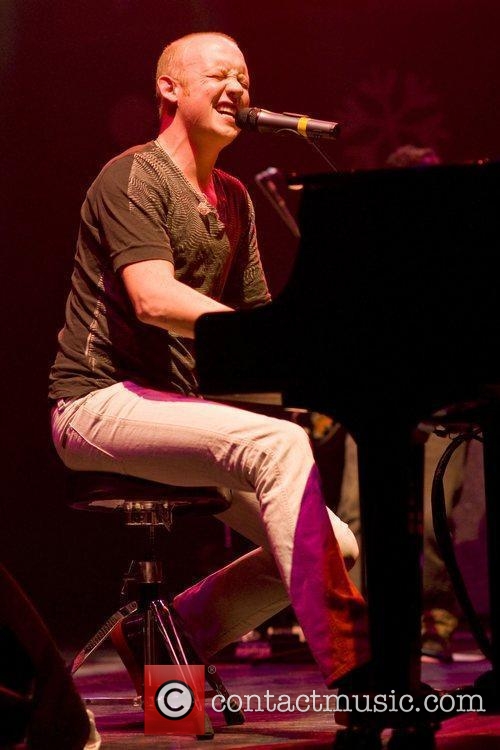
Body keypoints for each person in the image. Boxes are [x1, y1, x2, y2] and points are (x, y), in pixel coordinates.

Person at [48, 31, 369, 690]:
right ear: (169, 87)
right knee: (279, 446)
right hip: (95, 405)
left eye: (244, 80)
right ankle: (360, 677)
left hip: (177, 413)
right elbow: (154, 299)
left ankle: (164, 640)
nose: (237, 89)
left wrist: (332, 365)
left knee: (337, 545)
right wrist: (276, 343)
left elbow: (257, 330)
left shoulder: (235, 198)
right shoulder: (132, 175)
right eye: (220, 74)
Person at [337, 143, 469, 662]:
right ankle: (358, 628)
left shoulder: (459, 252)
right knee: (357, 515)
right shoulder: (369, 251)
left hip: (441, 401)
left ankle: (434, 620)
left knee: (434, 519)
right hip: (373, 396)